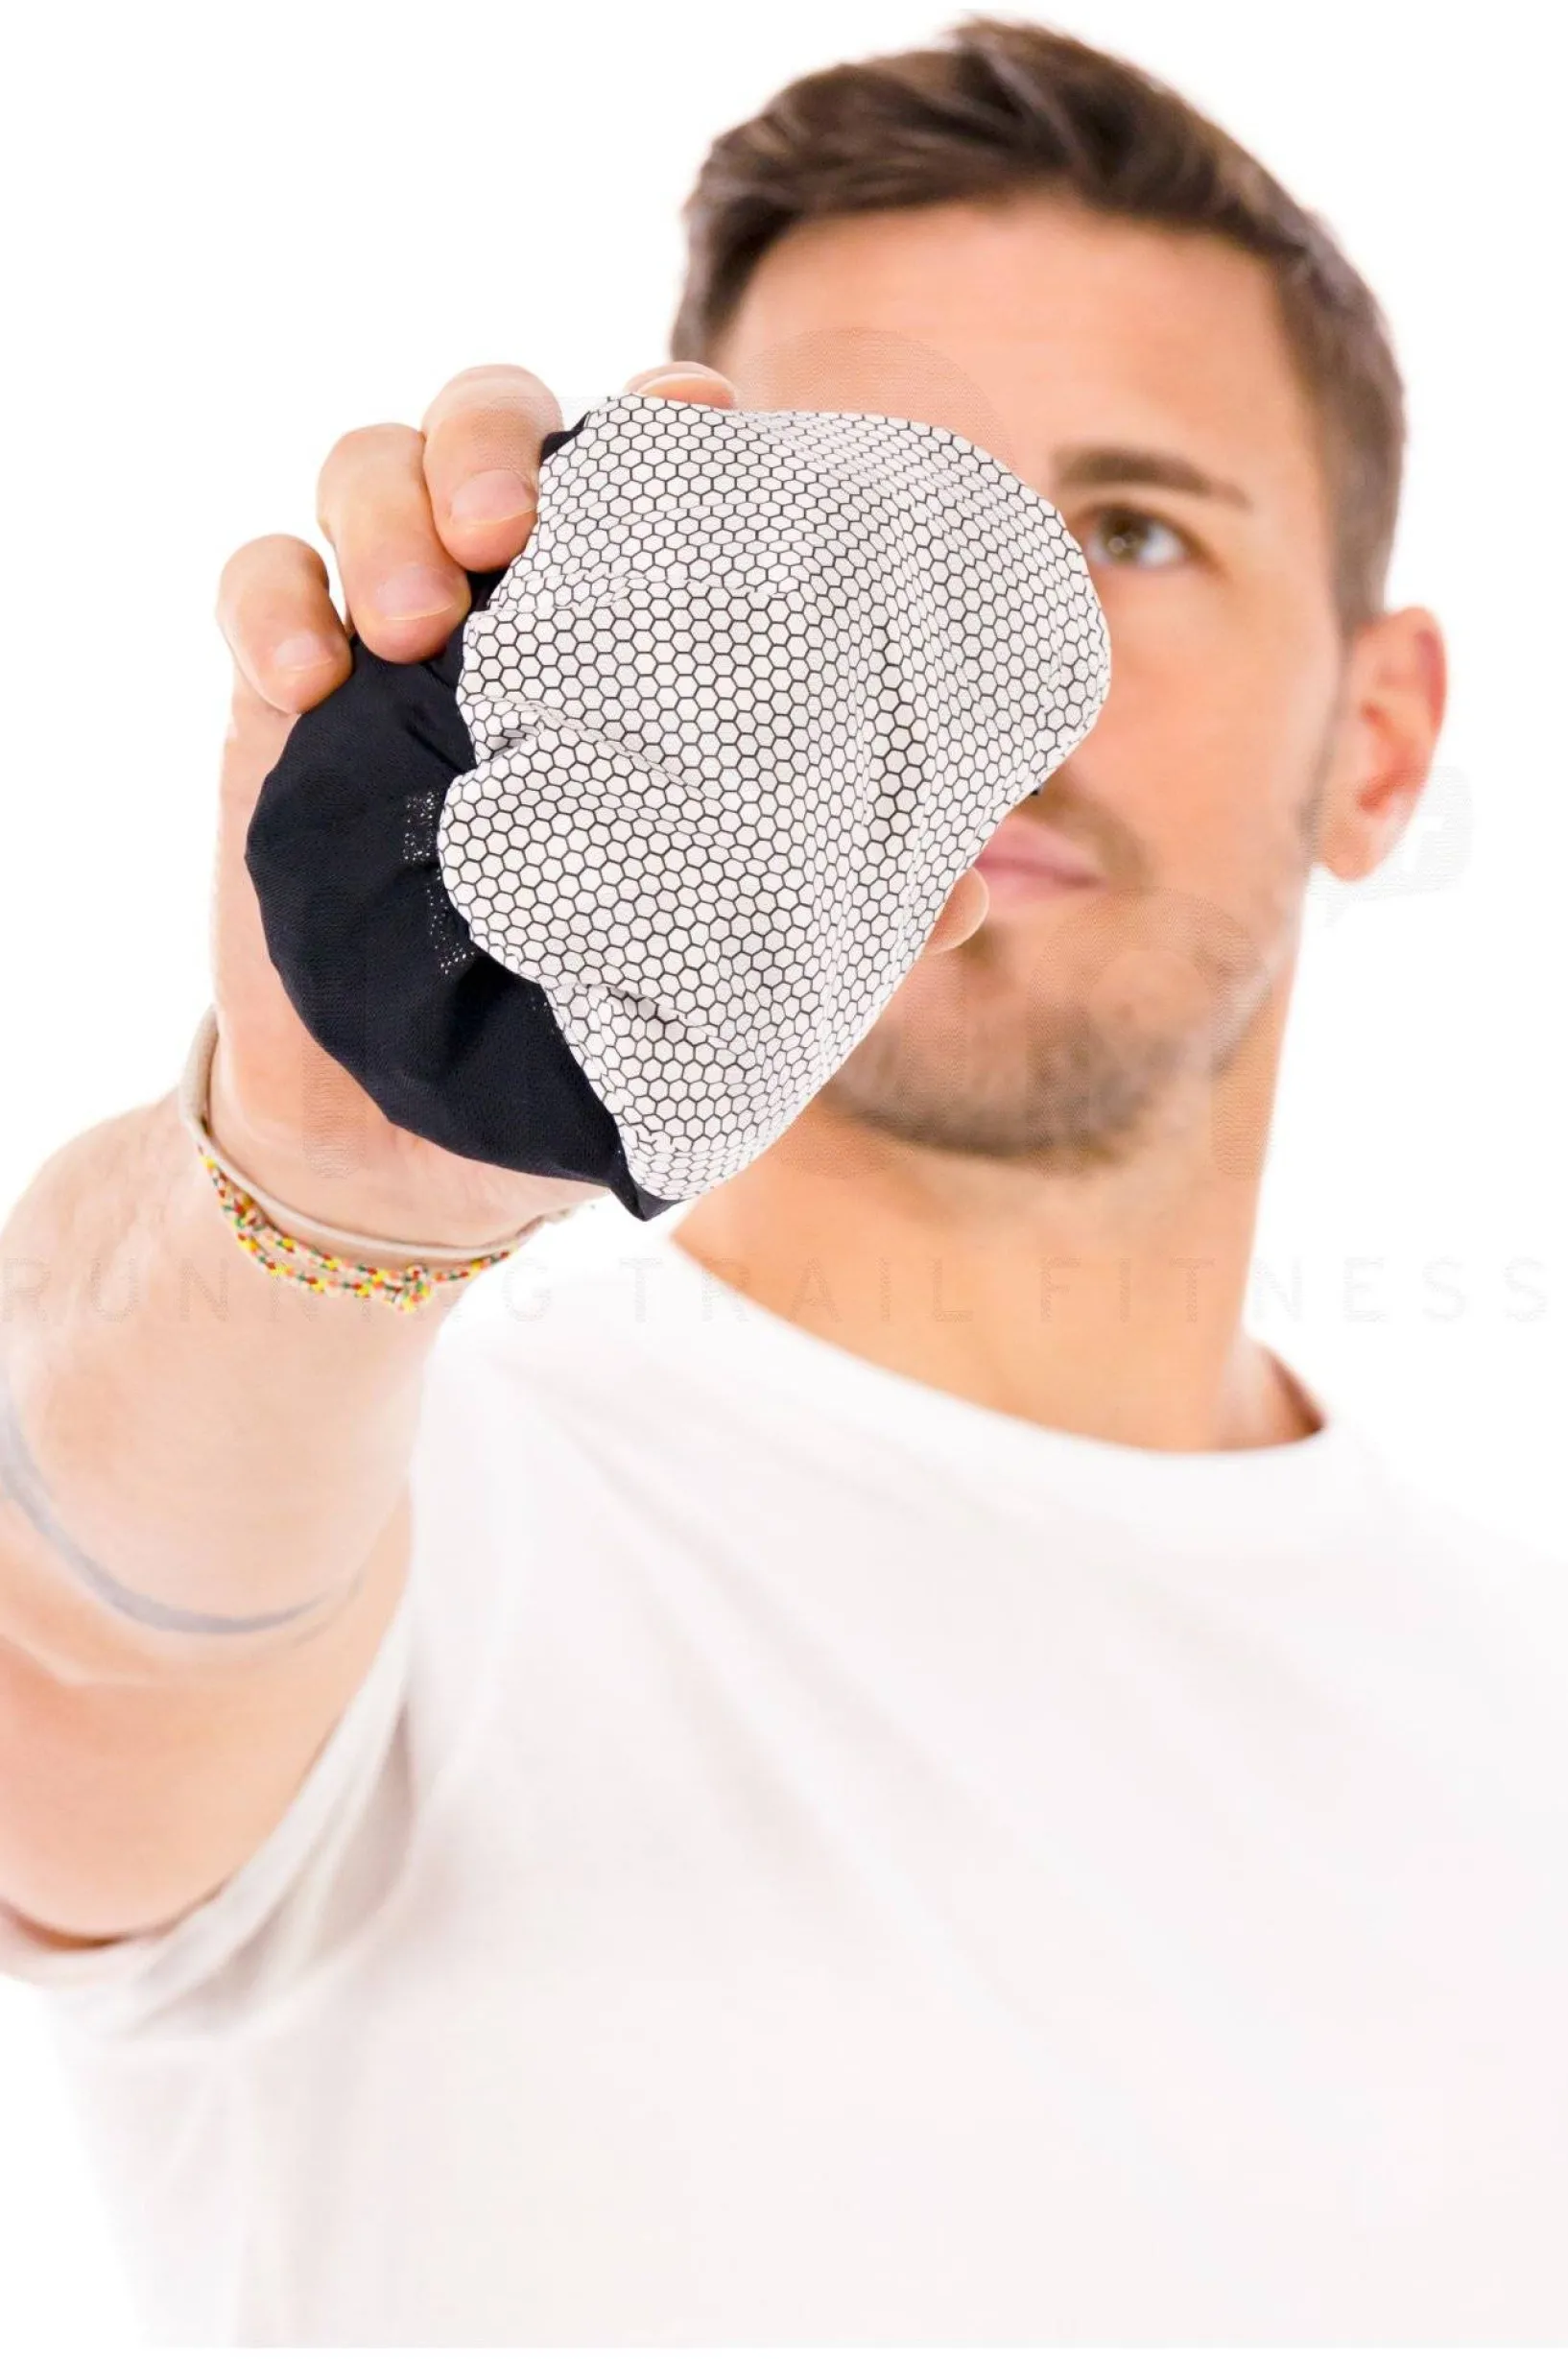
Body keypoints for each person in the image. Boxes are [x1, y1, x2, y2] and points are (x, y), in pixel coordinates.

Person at [0, 14, 1562, 2347]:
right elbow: (74, 1654)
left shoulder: (1520, 1718)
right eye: (870, 518)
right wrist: (329, 1190)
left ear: (1381, 738)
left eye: (1131, 532)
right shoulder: (397, 1528)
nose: (979, 681)